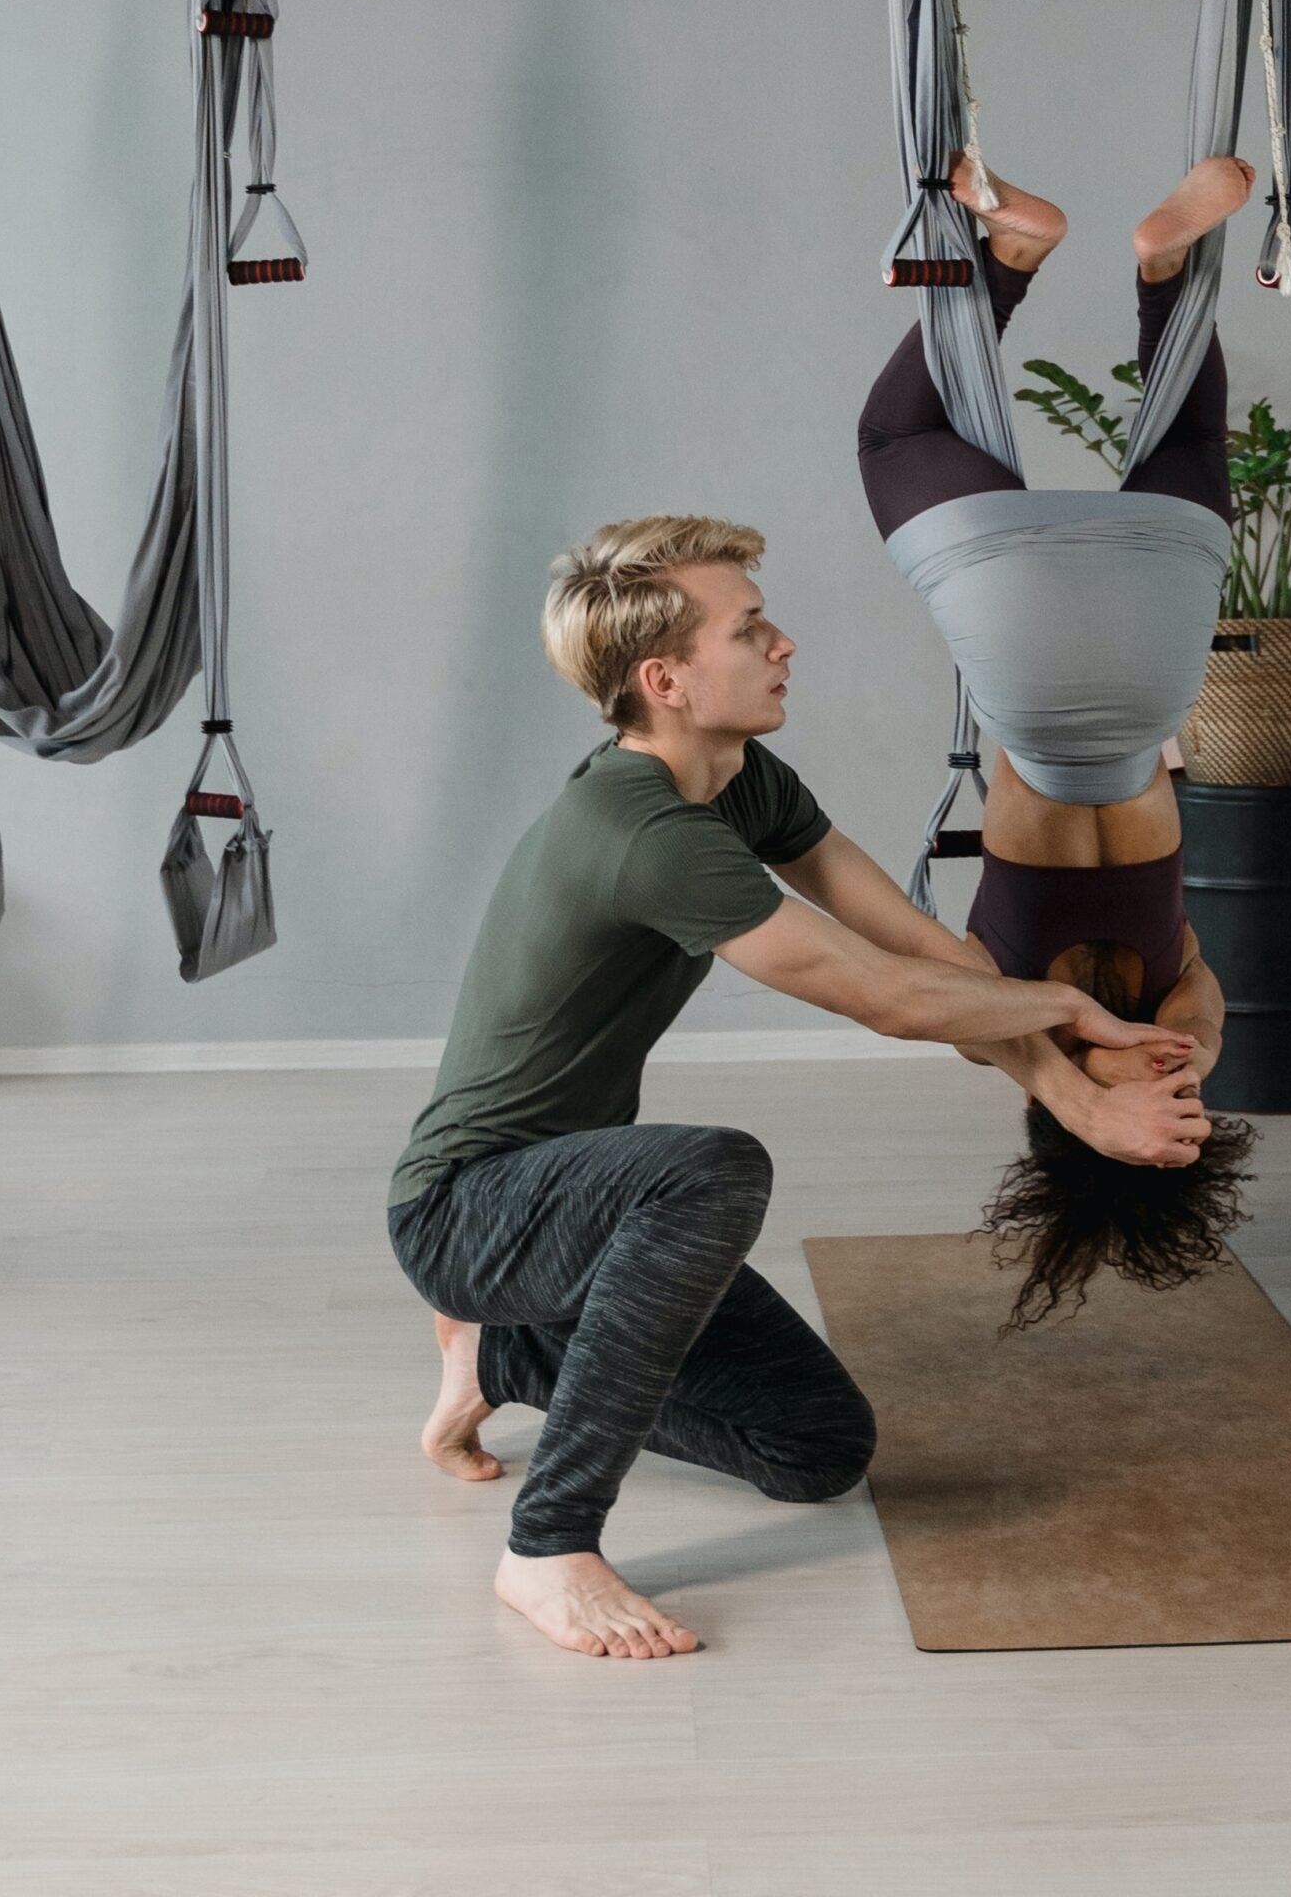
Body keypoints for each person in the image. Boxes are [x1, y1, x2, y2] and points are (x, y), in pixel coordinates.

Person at [387, 515, 1207, 1659]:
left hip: (584, 1213)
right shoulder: (643, 829)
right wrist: (1071, 1032)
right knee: (710, 1170)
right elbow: (881, 996)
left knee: (818, 1447)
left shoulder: (735, 779)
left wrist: (1073, 1091)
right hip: (467, 1211)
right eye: (749, 629)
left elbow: (921, 954)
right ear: (665, 680)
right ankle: (547, 1546)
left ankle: (504, 1353)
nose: (782, 644)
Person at [858, 149, 1261, 1330]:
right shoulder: (1063, 1026)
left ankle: (1160, 273)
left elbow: (1160, 1036)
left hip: (1149, 663)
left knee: (1189, 443)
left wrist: (1117, 1088)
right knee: (897, 438)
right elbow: (1017, 1030)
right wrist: (1116, 1085)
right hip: (1032, 675)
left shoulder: (1116, 1022)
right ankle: (1014, 257)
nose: (1178, 1092)